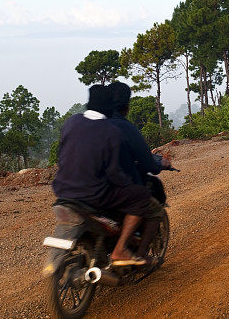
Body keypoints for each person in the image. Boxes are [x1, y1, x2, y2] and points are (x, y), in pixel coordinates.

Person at [51, 85, 160, 266]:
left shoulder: (72, 122)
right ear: (110, 107)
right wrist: (128, 184)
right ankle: (120, 250)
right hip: (94, 195)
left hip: (62, 190)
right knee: (141, 197)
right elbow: (114, 173)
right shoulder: (111, 131)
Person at [108, 81, 169, 259]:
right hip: (114, 189)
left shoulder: (92, 125)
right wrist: (160, 164)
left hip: (83, 188)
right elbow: (148, 163)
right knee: (153, 208)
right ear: (126, 106)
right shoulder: (125, 127)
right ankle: (140, 256)